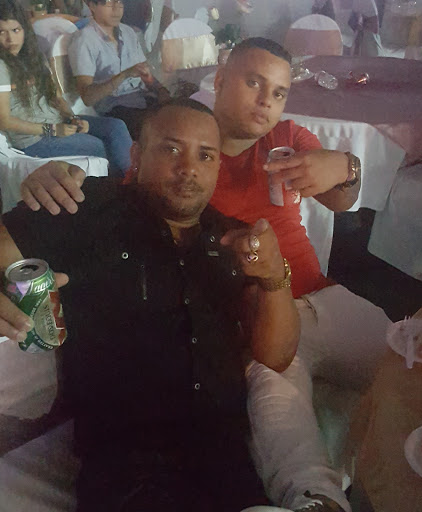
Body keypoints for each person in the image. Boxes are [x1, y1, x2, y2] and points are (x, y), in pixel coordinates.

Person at [17, 38, 391, 512]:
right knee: (279, 404)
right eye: (253, 83)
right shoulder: (168, 168)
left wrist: (345, 166)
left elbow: (341, 199)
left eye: (278, 92)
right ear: (219, 80)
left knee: (410, 362)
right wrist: (51, 179)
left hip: (313, 297)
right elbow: (114, 208)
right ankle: (319, 500)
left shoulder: (287, 140)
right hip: (253, 320)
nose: (265, 101)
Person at [0, 98, 300, 512]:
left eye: (205, 155)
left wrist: (273, 278)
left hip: (226, 460)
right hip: (127, 466)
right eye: (171, 148)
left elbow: (277, 356)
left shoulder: (233, 239)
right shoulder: (87, 207)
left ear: (218, 166)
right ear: (137, 156)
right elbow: (5, 240)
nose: (188, 168)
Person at [0, 0, 132, 176]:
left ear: (24, 30)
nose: (10, 39)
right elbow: (4, 120)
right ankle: (123, 185)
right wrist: (52, 129)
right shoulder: (2, 66)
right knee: (100, 146)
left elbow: (56, 97)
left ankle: (132, 179)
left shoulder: (35, 57)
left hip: (58, 122)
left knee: (116, 126)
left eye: (16, 30)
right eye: (2, 32)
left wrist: (72, 118)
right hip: (34, 139)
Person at [68, 0, 170, 139]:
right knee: (157, 127)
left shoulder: (128, 32)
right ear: (92, 6)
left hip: (142, 99)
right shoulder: (84, 40)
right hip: (115, 107)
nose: (116, 8)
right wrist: (124, 75)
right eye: (109, 3)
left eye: (120, 2)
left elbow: (145, 72)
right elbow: (88, 97)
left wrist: (160, 89)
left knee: (179, 113)